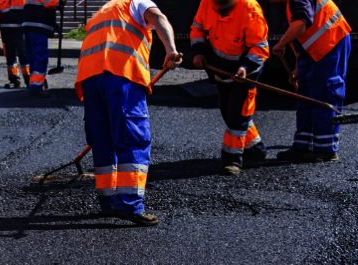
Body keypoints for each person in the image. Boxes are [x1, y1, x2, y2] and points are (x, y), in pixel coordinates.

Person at [75, 0, 182, 226]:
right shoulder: (137, 2)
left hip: (90, 79)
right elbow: (159, 18)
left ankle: (108, 202)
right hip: (121, 75)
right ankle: (130, 205)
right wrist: (171, 49)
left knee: (103, 141)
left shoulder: (102, 11)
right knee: (133, 139)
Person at [191, 0, 271, 176]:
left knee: (237, 115)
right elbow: (197, 29)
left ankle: (232, 159)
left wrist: (245, 68)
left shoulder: (250, 8)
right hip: (220, 68)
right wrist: (198, 52)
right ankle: (257, 149)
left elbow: (259, 47)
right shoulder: (206, 3)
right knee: (228, 111)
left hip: (246, 70)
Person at [270, 0, 351, 162]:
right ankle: (302, 145)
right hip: (313, 50)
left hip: (331, 42)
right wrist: (299, 66)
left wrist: (281, 43)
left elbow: (301, 23)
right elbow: (303, 37)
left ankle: (326, 149)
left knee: (325, 94)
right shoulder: (285, 5)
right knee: (305, 97)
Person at [22, 0, 61, 97]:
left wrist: (54, 25)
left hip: (30, 25)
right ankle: (36, 87)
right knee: (40, 57)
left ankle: (34, 83)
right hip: (37, 26)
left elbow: (40, 8)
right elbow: (50, 3)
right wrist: (61, 2)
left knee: (33, 58)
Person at [0, 0, 31, 88]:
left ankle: (29, 80)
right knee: (10, 55)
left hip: (21, 29)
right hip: (6, 29)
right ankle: (14, 80)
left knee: (23, 53)